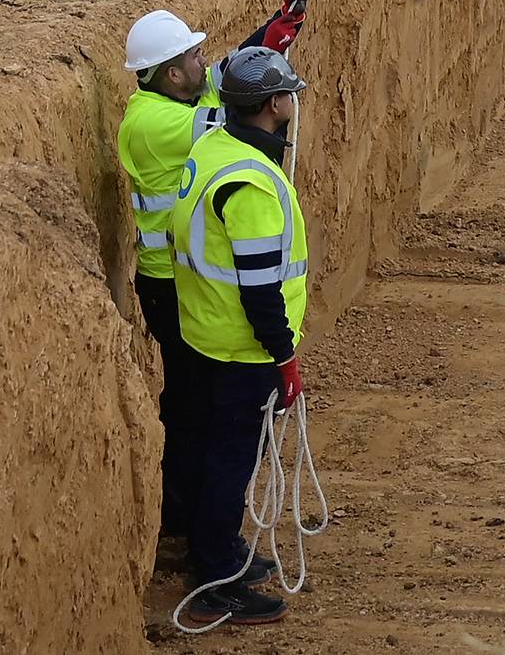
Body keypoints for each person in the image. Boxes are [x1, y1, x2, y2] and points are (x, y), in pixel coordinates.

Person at [170, 43, 312, 628]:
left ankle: (215, 549)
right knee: (230, 461)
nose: (294, 102)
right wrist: (284, 357)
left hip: (204, 334)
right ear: (274, 105)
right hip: (241, 348)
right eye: (289, 94)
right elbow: (259, 288)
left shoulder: (214, 147)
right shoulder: (251, 183)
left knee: (211, 449)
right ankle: (217, 578)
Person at [118, 10, 219, 569]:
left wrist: (278, 27)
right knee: (192, 405)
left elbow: (224, 79)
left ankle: (181, 520)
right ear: (173, 74)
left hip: (172, 280)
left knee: (190, 400)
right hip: (169, 284)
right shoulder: (158, 124)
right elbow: (236, 111)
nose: (203, 61)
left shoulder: (167, 103)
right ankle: (181, 525)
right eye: (194, 56)